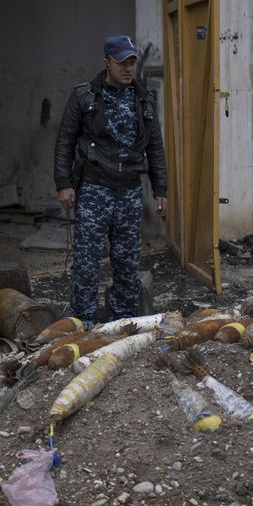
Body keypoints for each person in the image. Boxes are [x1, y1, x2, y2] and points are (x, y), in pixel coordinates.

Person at [53, 35, 168, 323]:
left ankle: (122, 320)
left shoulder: (144, 99)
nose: (128, 68)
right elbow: (65, 141)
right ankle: (84, 321)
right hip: (94, 187)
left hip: (129, 189)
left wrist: (160, 188)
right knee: (87, 260)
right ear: (107, 63)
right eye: (121, 62)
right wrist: (63, 183)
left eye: (132, 62)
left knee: (127, 261)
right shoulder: (83, 96)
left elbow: (155, 146)